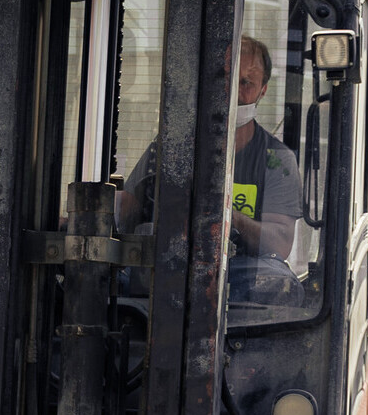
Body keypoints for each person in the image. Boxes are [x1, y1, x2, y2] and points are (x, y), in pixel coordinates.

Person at [114, 35, 303, 277]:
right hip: (170, 268)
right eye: (226, 80)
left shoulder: (277, 160)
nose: (233, 92)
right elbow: (130, 204)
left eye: (246, 82)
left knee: (276, 279)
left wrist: (223, 213)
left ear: (263, 91)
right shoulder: (173, 146)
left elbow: (279, 244)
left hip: (240, 277)